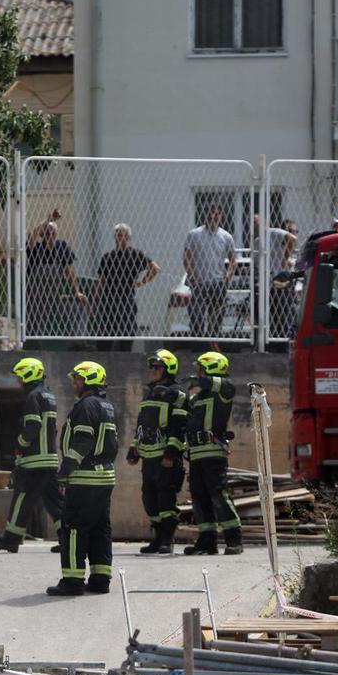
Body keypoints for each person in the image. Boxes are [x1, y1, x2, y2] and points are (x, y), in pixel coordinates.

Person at [47, 360, 118, 597]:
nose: (74, 383)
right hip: (104, 477)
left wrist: (65, 472)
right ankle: (100, 579)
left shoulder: (86, 406)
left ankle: (73, 580)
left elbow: (82, 441)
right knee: (100, 528)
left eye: (77, 379)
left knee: (74, 527)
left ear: (89, 381)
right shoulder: (105, 405)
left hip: (85, 478)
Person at [0, 357, 63, 553]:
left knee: (22, 497)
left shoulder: (32, 397)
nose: (19, 381)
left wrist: (20, 445)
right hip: (50, 460)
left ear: (28, 375)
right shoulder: (49, 396)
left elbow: (33, 425)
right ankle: (68, 539)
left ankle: (11, 539)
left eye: (20, 376)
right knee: (55, 502)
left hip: (34, 461)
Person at [127, 349, 188, 555]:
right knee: (149, 498)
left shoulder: (176, 391)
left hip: (165, 457)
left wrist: (171, 453)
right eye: (151, 367)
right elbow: (142, 424)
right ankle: (157, 537)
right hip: (149, 457)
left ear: (168, 370)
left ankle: (167, 539)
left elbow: (179, 425)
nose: (152, 370)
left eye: (157, 367)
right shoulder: (150, 392)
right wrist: (134, 448)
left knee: (165, 499)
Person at [183, 350, 242, 556]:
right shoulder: (197, 397)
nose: (197, 372)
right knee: (199, 498)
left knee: (219, 496)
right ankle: (207, 541)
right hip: (196, 454)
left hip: (213, 453)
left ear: (211, 368)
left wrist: (202, 380)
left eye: (200, 368)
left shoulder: (223, 391)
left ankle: (234, 539)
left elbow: (226, 386)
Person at [93, 223, 160, 352]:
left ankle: (125, 354)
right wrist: (95, 299)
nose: (121, 238)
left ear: (129, 238)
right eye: (118, 235)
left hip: (126, 297)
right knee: (107, 331)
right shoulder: (108, 257)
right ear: (115, 237)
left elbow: (155, 268)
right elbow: (101, 281)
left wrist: (143, 281)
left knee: (127, 329)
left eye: (124, 236)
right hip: (109, 297)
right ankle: (105, 355)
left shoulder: (135, 254)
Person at [25, 211, 87, 344]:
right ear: (42, 234)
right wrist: (48, 219)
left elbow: (70, 271)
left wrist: (77, 291)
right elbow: (32, 236)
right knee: (32, 325)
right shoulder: (35, 248)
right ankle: (32, 346)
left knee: (77, 307)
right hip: (36, 296)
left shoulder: (62, 247)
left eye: (53, 233)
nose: (50, 235)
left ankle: (80, 343)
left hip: (55, 295)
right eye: (47, 233)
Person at [183, 204, 237, 339]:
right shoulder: (194, 234)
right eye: (210, 213)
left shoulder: (226, 236)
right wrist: (191, 275)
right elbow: (187, 257)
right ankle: (198, 345)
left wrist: (227, 277)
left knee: (216, 319)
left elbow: (233, 260)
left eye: (217, 213)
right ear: (205, 215)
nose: (213, 216)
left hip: (218, 283)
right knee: (197, 318)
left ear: (221, 216)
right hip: (199, 283)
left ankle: (213, 345)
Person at [254, 214, 298, 338]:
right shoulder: (257, 241)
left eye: (256, 222)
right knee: (271, 314)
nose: (254, 226)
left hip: (280, 279)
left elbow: (292, 239)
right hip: (268, 282)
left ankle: (283, 341)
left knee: (283, 314)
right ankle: (271, 341)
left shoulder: (274, 232)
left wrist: (285, 258)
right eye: (252, 223)